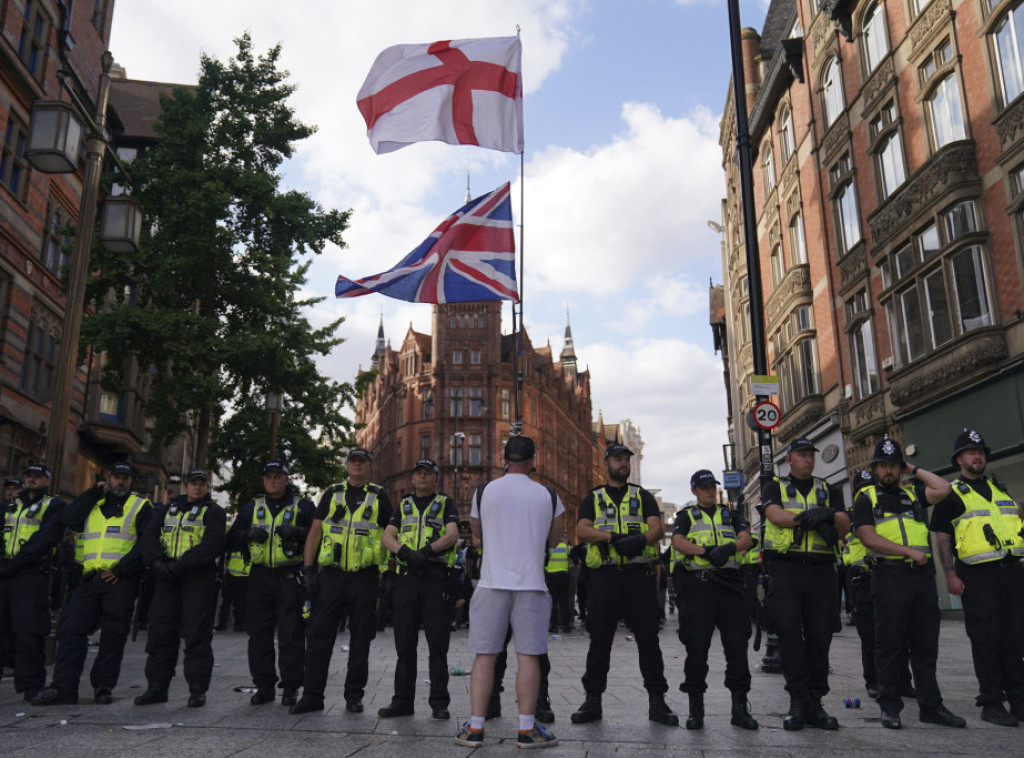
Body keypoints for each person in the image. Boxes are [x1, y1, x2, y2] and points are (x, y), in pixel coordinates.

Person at [454, 435, 561, 749]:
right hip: (531, 584)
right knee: (528, 657)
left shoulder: (485, 491)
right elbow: (555, 541)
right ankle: (526, 730)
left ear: (504, 458)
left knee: (485, 656)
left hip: (490, 583)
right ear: (532, 459)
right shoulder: (549, 495)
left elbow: (477, 533)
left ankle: (475, 728)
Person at [852, 437, 965, 730]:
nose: (889, 471)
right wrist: (907, 551)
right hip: (889, 577)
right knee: (889, 647)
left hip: (922, 579)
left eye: (894, 465)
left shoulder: (914, 492)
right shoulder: (866, 498)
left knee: (925, 646)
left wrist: (912, 467)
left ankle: (932, 707)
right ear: (875, 469)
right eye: (884, 466)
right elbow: (867, 537)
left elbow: (944, 487)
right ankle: (890, 707)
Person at [570, 443, 679, 727]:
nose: (623, 463)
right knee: (600, 640)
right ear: (606, 463)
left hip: (637, 576)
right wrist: (610, 538)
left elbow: (656, 527)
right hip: (605, 577)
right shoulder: (592, 497)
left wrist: (640, 541)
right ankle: (593, 700)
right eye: (618, 459)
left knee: (648, 640)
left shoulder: (642, 496)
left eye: (626, 460)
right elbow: (581, 530)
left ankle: (657, 700)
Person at [33, 462, 154, 706]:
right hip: (90, 581)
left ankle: (103, 687)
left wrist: (122, 569)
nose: (120, 482)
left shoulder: (141, 506)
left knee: (113, 635)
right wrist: (92, 492)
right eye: (116, 477)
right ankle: (64, 689)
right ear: (107, 479)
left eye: (125, 478)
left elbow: (147, 543)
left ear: (130, 482)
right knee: (70, 630)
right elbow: (67, 518)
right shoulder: (93, 503)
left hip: (120, 581)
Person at [931, 428, 1024, 726]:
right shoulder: (951, 493)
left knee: (1015, 638)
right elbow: (942, 538)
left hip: (1012, 572)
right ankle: (991, 702)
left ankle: (1019, 700)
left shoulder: (999, 488)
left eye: (981, 452)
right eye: (971, 452)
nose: (978, 456)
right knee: (986, 639)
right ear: (959, 459)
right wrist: (949, 575)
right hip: (977, 577)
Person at [289, 448, 392, 715]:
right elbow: (314, 532)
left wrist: (386, 575)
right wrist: (309, 570)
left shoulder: (380, 496)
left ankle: (354, 696)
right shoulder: (332, 493)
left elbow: (390, 536)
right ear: (347, 465)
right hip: (332, 576)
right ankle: (312, 695)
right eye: (353, 461)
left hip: (365, 576)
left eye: (362, 461)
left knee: (361, 639)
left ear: (370, 466)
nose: (357, 465)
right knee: (318, 636)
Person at [760, 438, 848, 731]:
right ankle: (798, 699)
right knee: (788, 632)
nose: (808, 459)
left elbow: (845, 523)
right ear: (789, 458)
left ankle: (814, 700)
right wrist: (810, 516)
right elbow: (775, 515)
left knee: (820, 636)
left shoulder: (828, 489)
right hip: (787, 568)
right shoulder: (775, 487)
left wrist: (827, 514)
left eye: (811, 455)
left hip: (822, 570)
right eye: (802, 454)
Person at [671, 469, 758, 730]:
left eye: (712, 486)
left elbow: (747, 538)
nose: (710, 490)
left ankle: (740, 708)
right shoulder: (686, 515)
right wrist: (706, 552)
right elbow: (677, 541)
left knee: (737, 648)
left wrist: (729, 548)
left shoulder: (730, 513)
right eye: (704, 486)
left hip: (730, 588)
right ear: (694, 490)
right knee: (696, 650)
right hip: (700, 588)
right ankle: (696, 710)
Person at [225, 460, 314, 707]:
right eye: (269, 477)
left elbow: (320, 534)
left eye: (278, 477)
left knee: (291, 634)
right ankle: (264, 686)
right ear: (264, 481)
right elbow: (230, 540)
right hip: (259, 578)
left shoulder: (303, 506)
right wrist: (246, 535)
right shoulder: (250, 508)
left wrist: (298, 532)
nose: (273, 481)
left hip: (290, 577)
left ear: (287, 479)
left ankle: (290, 687)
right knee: (258, 634)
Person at [135, 469, 226, 707]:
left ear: (207, 488)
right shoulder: (165, 509)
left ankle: (197, 689)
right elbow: (149, 538)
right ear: (185, 486)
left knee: (197, 634)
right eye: (193, 483)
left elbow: (212, 544)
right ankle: (157, 687)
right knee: (160, 632)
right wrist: (156, 563)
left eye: (202, 484)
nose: (197, 487)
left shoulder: (213, 512)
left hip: (197, 578)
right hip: (166, 577)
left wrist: (181, 565)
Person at [378, 457, 457, 719]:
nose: (422, 477)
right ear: (412, 479)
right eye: (418, 473)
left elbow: (452, 534)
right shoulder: (403, 505)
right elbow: (386, 536)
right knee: (404, 644)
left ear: (436, 479)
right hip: (408, 577)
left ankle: (439, 702)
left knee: (437, 644)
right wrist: (403, 551)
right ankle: (402, 701)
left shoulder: (445, 503)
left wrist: (427, 550)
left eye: (427, 474)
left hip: (435, 577)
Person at [0, 465, 65, 701]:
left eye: (37, 477)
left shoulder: (53, 505)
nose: (31, 480)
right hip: (4, 573)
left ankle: (32, 686)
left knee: (29, 631)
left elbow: (45, 538)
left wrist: (14, 564)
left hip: (30, 573)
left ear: (47, 481)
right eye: (28, 476)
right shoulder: (9, 506)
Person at [216, 545, 250, 632]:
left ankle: (222, 623)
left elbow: (227, 560)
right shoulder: (249, 548)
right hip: (245, 575)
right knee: (240, 602)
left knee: (226, 601)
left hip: (231, 575)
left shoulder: (233, 546)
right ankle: (238, 625)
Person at [545, 537, 572, 633]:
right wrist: (569, 565)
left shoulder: (549, 548)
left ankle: (554, 626)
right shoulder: (566, 547)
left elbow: (543, 561)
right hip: (563, 577)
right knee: (564, 602)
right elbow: (575, 560)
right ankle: (566, 626)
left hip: (552, 577)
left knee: (553, 603)